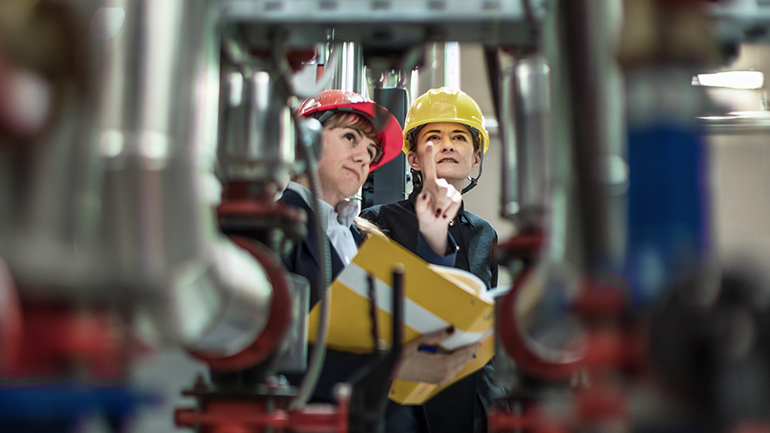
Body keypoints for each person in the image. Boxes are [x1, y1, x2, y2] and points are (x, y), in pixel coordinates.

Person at [280, 89, 479, 407]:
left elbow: (413, 317)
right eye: (350, 138)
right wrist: (392, 368)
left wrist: (433, 235)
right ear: (306, 141)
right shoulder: (273, 229)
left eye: (371, 150)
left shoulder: (361, 237)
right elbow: (266, 355)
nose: (363, 157)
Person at [360, 87, 500, 433]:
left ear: (476, 159)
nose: (448, 145)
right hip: (402, 405)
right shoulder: (376, 222)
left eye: (459, 137)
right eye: (433, 137)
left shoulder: (485, 235)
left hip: (469, 403)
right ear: (413, 159)